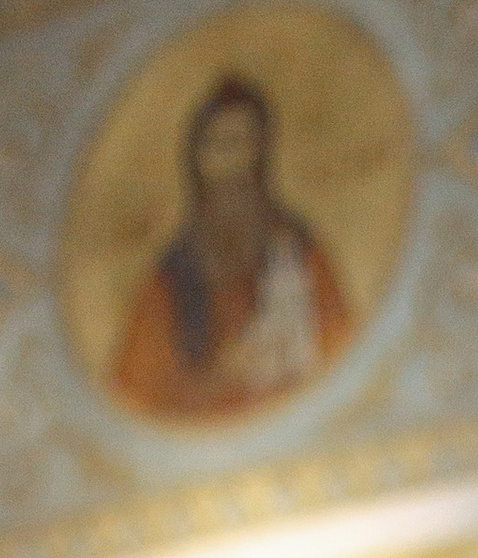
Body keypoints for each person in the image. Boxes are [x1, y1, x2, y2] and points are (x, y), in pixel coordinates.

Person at [108, 73, 355, 422]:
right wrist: (216, 376)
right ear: (197, 158)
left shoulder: (298, 249)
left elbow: (344, 351)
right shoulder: (171, 274)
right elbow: (133, 397)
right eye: (218, 144)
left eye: (242, 143)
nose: (231, 163)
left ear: (261, 154)